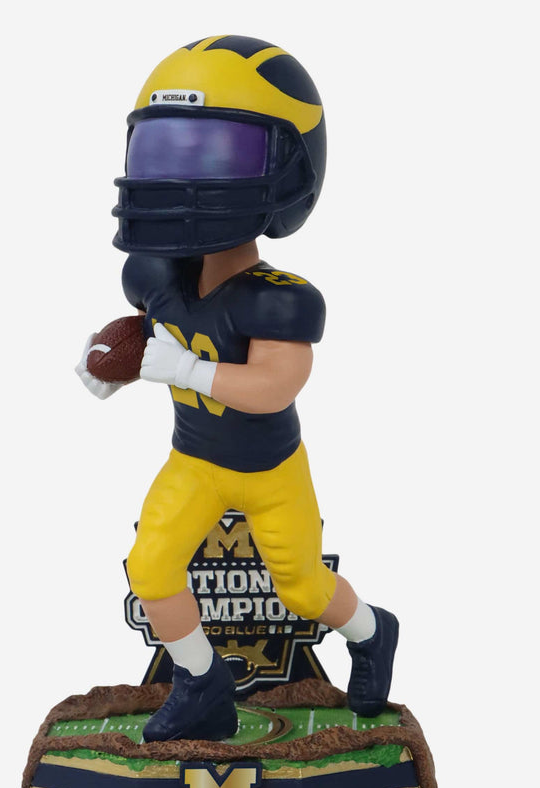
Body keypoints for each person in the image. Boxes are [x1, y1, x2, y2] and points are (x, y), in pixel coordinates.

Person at [77, 35, 399, 743]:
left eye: (213, 153)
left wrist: (185, 371)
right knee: (150, 568)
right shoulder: (154, 277)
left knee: (304, 588)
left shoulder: (277, 299)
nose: (181, 177)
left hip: (270, 472)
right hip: (194, 458)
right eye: (164, 151)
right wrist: (112, 366)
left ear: (286, 168)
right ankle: (202, 684)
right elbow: (157, 337)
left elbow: (274, 387)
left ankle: (372, 632)